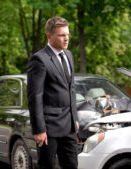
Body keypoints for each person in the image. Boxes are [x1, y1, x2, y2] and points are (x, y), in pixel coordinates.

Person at [27, 16, 78, 169]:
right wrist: (39, 129)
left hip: (69, 127)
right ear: (49, 36)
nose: (66, 39)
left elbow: (71, 89)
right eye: (62, 35)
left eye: (67, 34)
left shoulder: (68, 55)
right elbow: (34, 97)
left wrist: (74, 118)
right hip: (49, 130)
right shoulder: (39, 59)